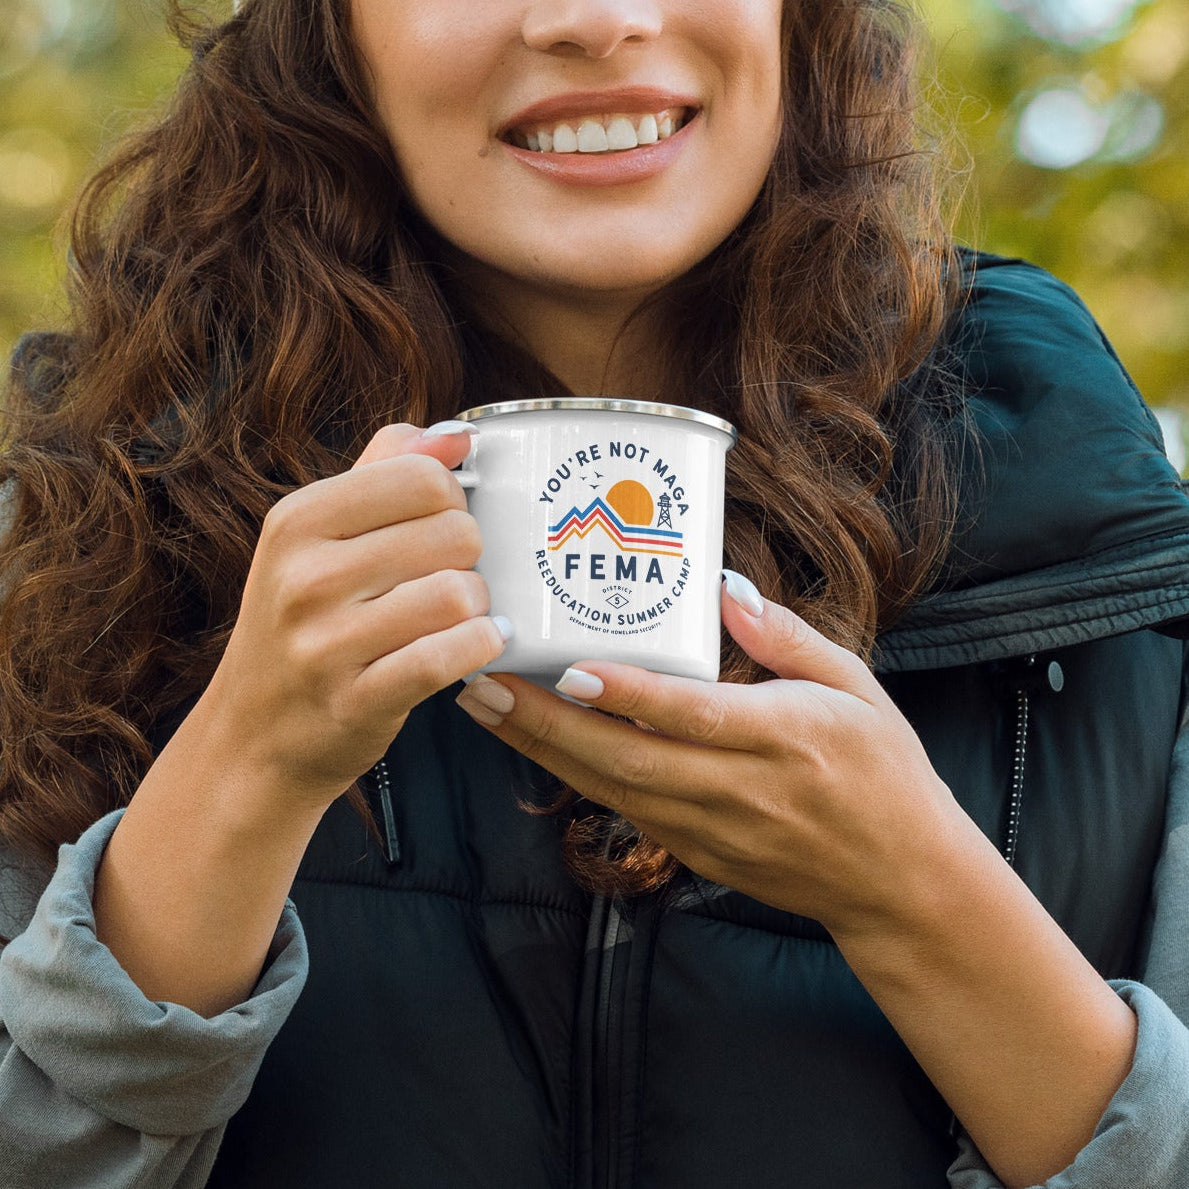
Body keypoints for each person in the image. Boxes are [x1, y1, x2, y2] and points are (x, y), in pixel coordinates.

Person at [1, 0, 1188, 1186]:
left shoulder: (1106, 562)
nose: (598, 20)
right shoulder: (70, 543)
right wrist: (240, 768)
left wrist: (914, 895)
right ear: (324, 29)